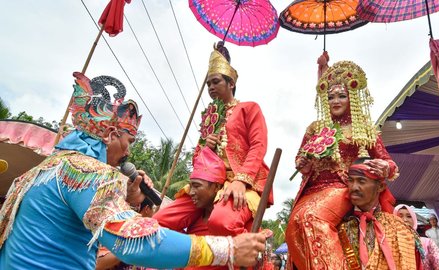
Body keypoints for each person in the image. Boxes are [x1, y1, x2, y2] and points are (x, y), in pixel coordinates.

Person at [0, 72, 266, 269]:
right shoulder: (85, 172)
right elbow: (133, 243)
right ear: (110, 135)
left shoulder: (44, 169)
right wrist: (227, 248)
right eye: (128, 142)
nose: (127, 153)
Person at [286, 58, 399, 269]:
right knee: (293, 226)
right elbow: (301, 159)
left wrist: (385, 167)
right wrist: (304, 164)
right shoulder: (315, 128)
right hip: (312, 190)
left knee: (311, 218)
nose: (335, 101)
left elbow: (389, 163)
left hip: (343, 187)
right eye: (330, 97)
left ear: (352, 98)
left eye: (341, 96)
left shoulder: (363, 127)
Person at [155, 42, 269, 238]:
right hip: (206, 185)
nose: (211, 87)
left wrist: (241, 181)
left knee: (221, 222)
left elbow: (259, 146)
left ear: (231, 83)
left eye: (215, 82)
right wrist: (204, 146)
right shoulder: (209, 116)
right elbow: (197, 162)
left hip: (239, 182)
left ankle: (251, 252)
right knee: (160, 220)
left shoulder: (249, 108)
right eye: (208, 84)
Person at [337, 158, 421, 270]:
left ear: (380, 187)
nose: (354, 187)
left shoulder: (399, 228)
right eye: (350, 181)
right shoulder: (338, 227)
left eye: (361, 181)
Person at [394, 204, 439, 270]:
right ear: (393, 219)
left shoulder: (426, 243)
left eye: (409, 216)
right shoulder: (389, 243)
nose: (405, 220)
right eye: (400, 216)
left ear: (414, 220)